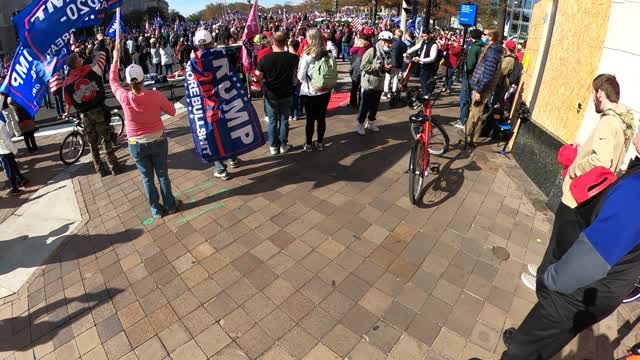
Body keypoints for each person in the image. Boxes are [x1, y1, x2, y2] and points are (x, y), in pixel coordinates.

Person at [500, 127, 640, 360]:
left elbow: (592, 260)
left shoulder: (636, 191)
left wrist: (550, 277)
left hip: (581, 291)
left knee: (519, 353)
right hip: (602, 288)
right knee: (543, 343)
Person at [521, 74, 635, 291]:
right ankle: (545, 273)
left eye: (594, 93)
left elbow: (601, 161)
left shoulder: (609, 122)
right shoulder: (623, 122)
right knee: (562, 241)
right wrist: (584, 149)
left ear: (600, 93)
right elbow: (609, 157)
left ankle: (542, 283)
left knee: (559, 243)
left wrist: (575, 166)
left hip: (579, 196)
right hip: (593, 196)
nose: (593, 98)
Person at [110, 44, 180, 218]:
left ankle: (156, 210)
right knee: (162, 175)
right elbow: (172, 111)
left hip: (136, 143)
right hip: (157, 139)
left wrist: (115, 59)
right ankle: (170, 205)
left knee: (147, 178)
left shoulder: (125, 97)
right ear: (143, 78)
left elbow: (112, 81)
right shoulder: (155, 95)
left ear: (128, 81)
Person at [64, 33, 123, 177]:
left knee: (92, 143)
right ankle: (114, 165)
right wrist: (101, 40)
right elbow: (101, 56)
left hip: (84, 115)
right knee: (106, 138)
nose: (81, 58)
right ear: (76, 63)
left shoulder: (67, 83)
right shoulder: (91, 70)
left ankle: (100, 168)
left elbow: (68, 102)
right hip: (98, 111)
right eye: (79, 58)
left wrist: (67, 112)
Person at [192, 29, 240, 180]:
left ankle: (220, 168)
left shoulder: (195, 62)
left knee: (214, 136)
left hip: (210, 104)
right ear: (211, 41)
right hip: (226, 99)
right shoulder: (221, 54)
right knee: (229, 129)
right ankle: (232, 158)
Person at [257, 32, 299, 155]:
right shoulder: (292, 58)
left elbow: (258, 75)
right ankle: (283, 144)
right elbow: (296, 56)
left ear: (272, 42)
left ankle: (274, 146)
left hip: (271, 94)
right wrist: (289, 45)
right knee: (284, 119)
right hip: (286, 93)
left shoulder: (265, 59)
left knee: (272, 121)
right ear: (286, 42)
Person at [465, 29, 503, 147]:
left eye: (485, 34)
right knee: (474, 114)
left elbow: (487, 75)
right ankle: (469, 137)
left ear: (491, 37)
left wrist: (479, 91)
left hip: (482, 89)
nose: (483, 36)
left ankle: (471, 139)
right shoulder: (492, 50)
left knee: (476, 115)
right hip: (480, 87)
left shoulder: (492, 52)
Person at [297, 28, 332, 151]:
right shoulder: (329, 53)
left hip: (310, 91)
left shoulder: (307, 55)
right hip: (325, 90)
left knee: (310, 119)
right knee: (321, 118)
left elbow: (300, 76)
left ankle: (308, 144)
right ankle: (320, 142)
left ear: (311, 38)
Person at [355, 30, 393, 136]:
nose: (390, 44)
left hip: (379, 83)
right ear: (381, 41)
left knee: (375, 106)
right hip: (369, 83)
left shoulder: (387, 53)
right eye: (387, 41)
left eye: (390, 41)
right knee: (365, 106)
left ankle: (371, 122)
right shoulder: (372, 51)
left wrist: (389, 69)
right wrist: (379, 67)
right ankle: (360, 124)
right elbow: (363, 66)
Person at [453, 28, 484, 129]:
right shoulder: (482, 47)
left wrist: (464, 64)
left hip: (469, 76)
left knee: (464, 98)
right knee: (469, 98)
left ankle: (463, 120)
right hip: (476, 76)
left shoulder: (474, 48)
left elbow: (470, 65)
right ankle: (464, 118)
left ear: (472, 36)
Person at [407, 29, 439, 97]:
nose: (424, 38)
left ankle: (426, 96)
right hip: (421, 65)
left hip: (428, 66)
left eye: (426, 36)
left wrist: (421, 59)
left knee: (425, 82)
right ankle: (425, 95)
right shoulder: (423, 42)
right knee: (422, 81)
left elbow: (432, 58)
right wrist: (408, 52)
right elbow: (416, 47)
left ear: (429, 35)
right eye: (423, 36)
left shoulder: (434, 45)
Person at [0, 120, 28, 196]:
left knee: (13, 166)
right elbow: (6, 139)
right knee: (10, 168)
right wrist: (14, 150)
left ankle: (21, 179)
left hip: (2, 150)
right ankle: (14, 187)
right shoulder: (0, 125)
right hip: (6, 150)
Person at [349, 34, 373, 107]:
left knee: (354, 86)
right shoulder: (370, 47)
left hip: (357, 68)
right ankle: (361, 102)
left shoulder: (359, 47)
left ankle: (353, 103)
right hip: (366, 68)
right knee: (362, 87)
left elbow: (350, 51)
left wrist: (356, 44)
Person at [492, 40, 518, 107]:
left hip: (503, 83)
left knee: (497, 102)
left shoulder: (509, 59)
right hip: (503, 83)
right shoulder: (512, 57)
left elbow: (502, 71)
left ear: (507, 47)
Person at [384, 29, 407, 99]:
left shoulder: (392, 43)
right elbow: (404, 51)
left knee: (388, 77)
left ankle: (386, 92)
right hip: (399, 63)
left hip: (391, 62)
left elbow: (387, 50)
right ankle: (394, 91)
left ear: (396, 35)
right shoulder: (403, 44)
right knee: (396, 78)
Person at [288, 39, 301, 122]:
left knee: (290, 98)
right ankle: (296, 114)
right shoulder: (299, 57)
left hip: (290, 79)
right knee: (296, 97)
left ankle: (291, 114)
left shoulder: (289, 57)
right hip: (296, 79)